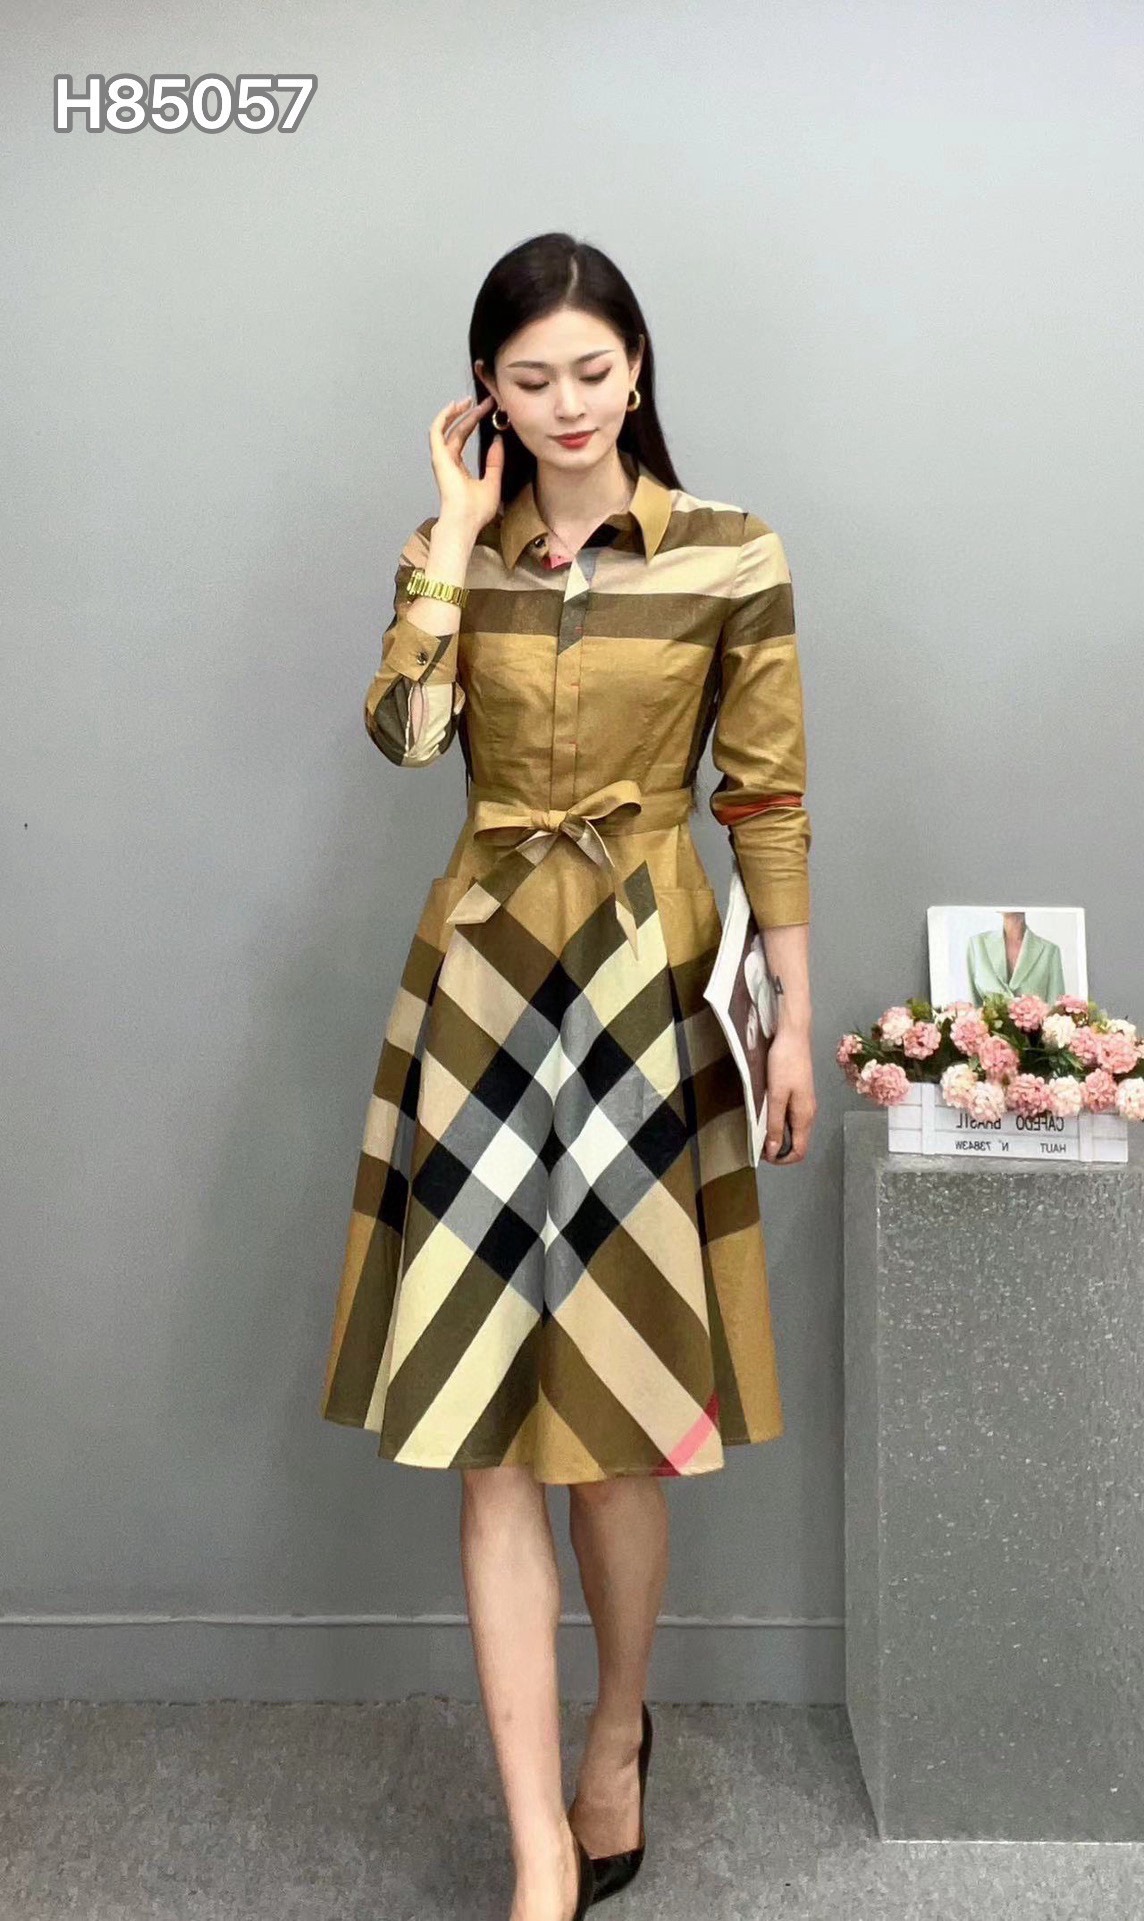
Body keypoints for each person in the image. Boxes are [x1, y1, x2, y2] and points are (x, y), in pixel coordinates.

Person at [319, 231, 817, 1921]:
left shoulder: (731, 552)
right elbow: (404, 737)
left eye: (593, 371)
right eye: (530, 380)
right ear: (485, 396)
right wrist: (451, 544)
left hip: (647, 987)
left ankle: (617, 1733)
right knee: (488, 1431)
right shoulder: (452, 554)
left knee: (618, 1422)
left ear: (639, 367)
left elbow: (767, 799)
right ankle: (538, 1842)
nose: (568, 404)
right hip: (482, 994)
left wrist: (791, 1013)